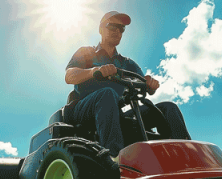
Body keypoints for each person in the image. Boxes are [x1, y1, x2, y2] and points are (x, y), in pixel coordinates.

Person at [64, 11, 191, 163]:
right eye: (112, 26)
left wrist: (150, 84)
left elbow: (143, 85)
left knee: (168, 108)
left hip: (114, 112)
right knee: (107, 94)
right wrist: (95, 71)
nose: (117, 31)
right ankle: (114, 159)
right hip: (83, 109)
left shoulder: (127, 63)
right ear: (100, 29)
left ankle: (185, 156)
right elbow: (69, 76)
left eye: (121, 28)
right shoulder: (87, 52)